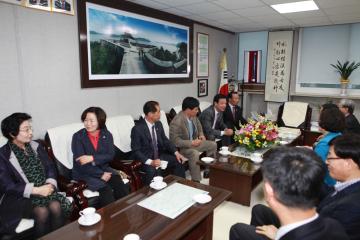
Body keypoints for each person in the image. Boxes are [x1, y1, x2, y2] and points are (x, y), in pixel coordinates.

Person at [230, 134, 360, 240]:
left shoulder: (351, 207)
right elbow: (329, 195)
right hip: (315, 221)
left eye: (330, 157)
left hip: (307, 230)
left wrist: (278, 236)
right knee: (258, 209)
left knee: (238, 229)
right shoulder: (348, 187)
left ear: (270, 190)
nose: (326, 161)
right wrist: (307, 168)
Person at [0, 113, 71, 238]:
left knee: (55, 206)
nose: (31, 132)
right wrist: (35, 190)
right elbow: (7, 186)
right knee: (42, 211)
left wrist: (49, 184)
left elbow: (50, 167)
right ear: (12, 133)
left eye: (30, 128)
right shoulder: (3, 155)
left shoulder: (35, 146)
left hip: (45, 190)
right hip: (20, 198)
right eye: (26, 130)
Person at [72, 107, 128, 209]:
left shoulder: (107, 135)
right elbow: (81, 163)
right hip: (84, 173)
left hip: (103, 168)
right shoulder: (78, 137)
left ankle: (124, 211)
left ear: (100, 121)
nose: (88, 124)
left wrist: (92, 158)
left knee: (118, 182)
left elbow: (110, 155)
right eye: (85, 120)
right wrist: (100, 174)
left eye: (91, 121)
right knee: (105, 190)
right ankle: (110, 220)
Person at [131, 101, 186, 185]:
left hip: (159, 156)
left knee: (178, 160)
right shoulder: (137, 129)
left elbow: (165, 140)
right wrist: (151, 162)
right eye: (158, 112)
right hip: (146, 159)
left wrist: (176, 152)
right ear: (150, 114)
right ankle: (149, 193)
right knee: (153, 170)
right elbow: (136, 151)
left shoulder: (158, 124)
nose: (160, 114)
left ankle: (181, 185)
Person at [169, 97, 217, 182]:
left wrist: (201, 134)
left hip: (195, 143)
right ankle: (196, 180)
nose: (198, 111)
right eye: (196, 109)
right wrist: (191, 142)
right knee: (194, 153)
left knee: (213, 144)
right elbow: (174, 141)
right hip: (183, 148)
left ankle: (208, 170)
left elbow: (199, 126)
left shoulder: (193, 116)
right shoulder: (177, 121)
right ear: (188, 110)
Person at [314, 107, 345, 186]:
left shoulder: (324, 144)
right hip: (337, 181)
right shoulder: (339, 135)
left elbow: (315, 168)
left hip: (325, 184)